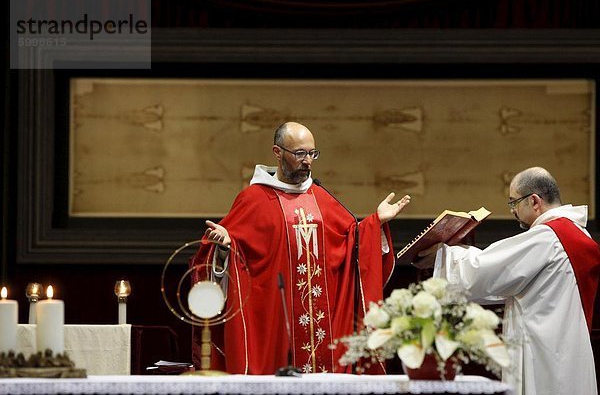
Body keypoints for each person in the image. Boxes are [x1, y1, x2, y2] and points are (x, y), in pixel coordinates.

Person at [190, 121, 411, 375]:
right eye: (300, 154)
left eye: (312, 154)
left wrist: (375, 223)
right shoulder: (254, 200)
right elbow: (225, 254)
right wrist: (226, 249)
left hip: (326, 337)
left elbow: (352, 242)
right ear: (277, 152)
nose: (308, 161)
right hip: (275, 334)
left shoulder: (321, 197)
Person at [415, 167, 600, 395]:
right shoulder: (577, 233)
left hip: (543, 353)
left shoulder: (549, 237)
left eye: (513, 202)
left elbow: (482, 271)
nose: (512, 210)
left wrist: (443, 255)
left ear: (534, 201)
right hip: (567, 350)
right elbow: (510, 280)